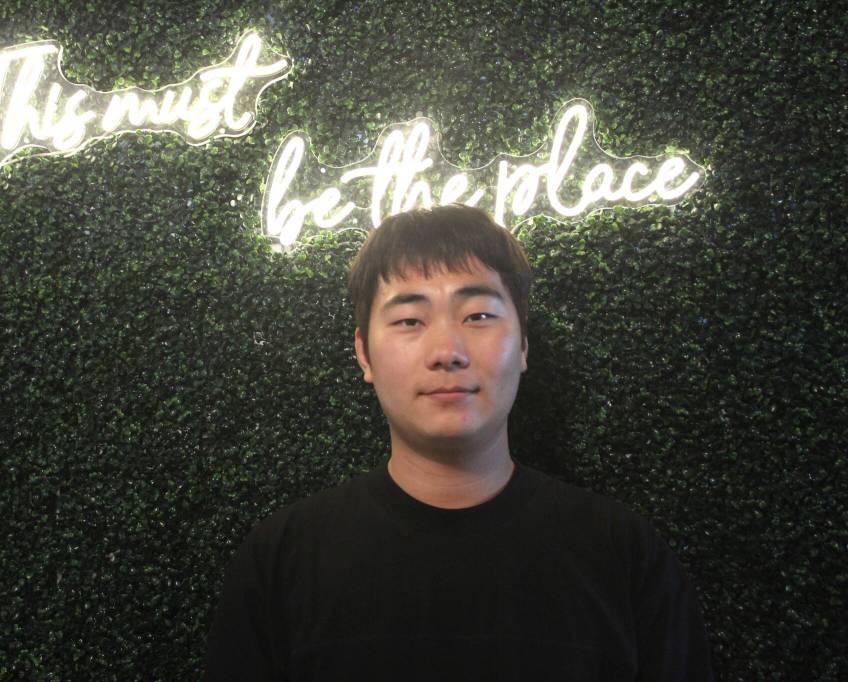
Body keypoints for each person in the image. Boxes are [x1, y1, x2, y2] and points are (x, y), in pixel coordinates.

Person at [206, 204, 714, 681]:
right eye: (409, 320)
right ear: (363, 353)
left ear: (523, 345)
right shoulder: (282, 560)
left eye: (478, 316)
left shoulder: (624, 556)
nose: (447, 351)